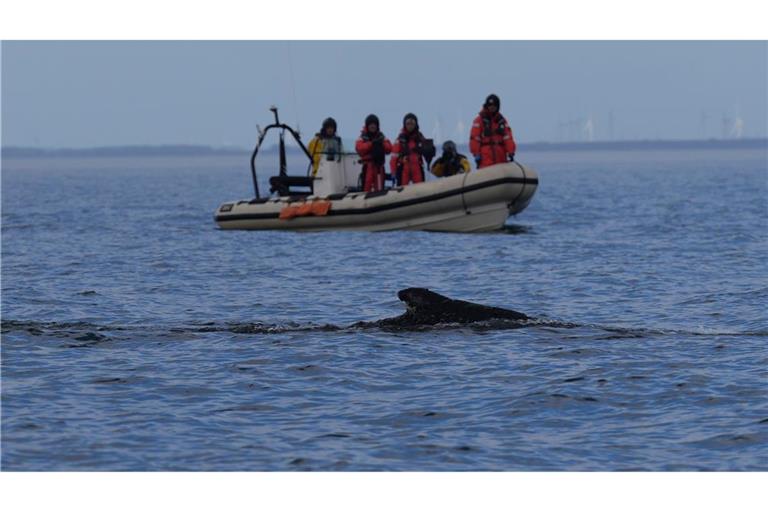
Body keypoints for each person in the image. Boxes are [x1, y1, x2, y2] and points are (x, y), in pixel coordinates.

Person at [469, 94, 517, 169]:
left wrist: (511, 151)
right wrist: (476, 154)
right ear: (487, 105)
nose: (492, 107)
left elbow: (508, 138)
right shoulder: (479, 120)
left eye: (494, 105)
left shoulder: (502, 121)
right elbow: (474, 138)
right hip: (486, 159)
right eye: (490, 105)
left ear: (498, 106)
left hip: (501, 158)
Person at [390, 113, 435, 186]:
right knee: (402, 189)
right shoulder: (400, 139)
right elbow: (393, 158)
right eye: (408, 123)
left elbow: (427, 150)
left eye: (412, 123)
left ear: (415, 124)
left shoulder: (420, 137)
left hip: (417, 167)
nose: (410, 126)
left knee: (420, 188)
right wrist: (393, 172)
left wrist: (430, 151)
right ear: (404, 124)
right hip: (404, 167)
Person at [355, 114, 392, 192]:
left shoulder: (382, 137)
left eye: (374, 124)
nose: (372, 126)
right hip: (367, 167)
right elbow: (359, 149)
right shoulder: (362, 137)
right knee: (366, 188)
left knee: (379, 189)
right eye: (370, 124)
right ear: (367, 125)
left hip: (379, 167)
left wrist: (381, 143)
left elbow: (389, 149)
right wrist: (371, 144)